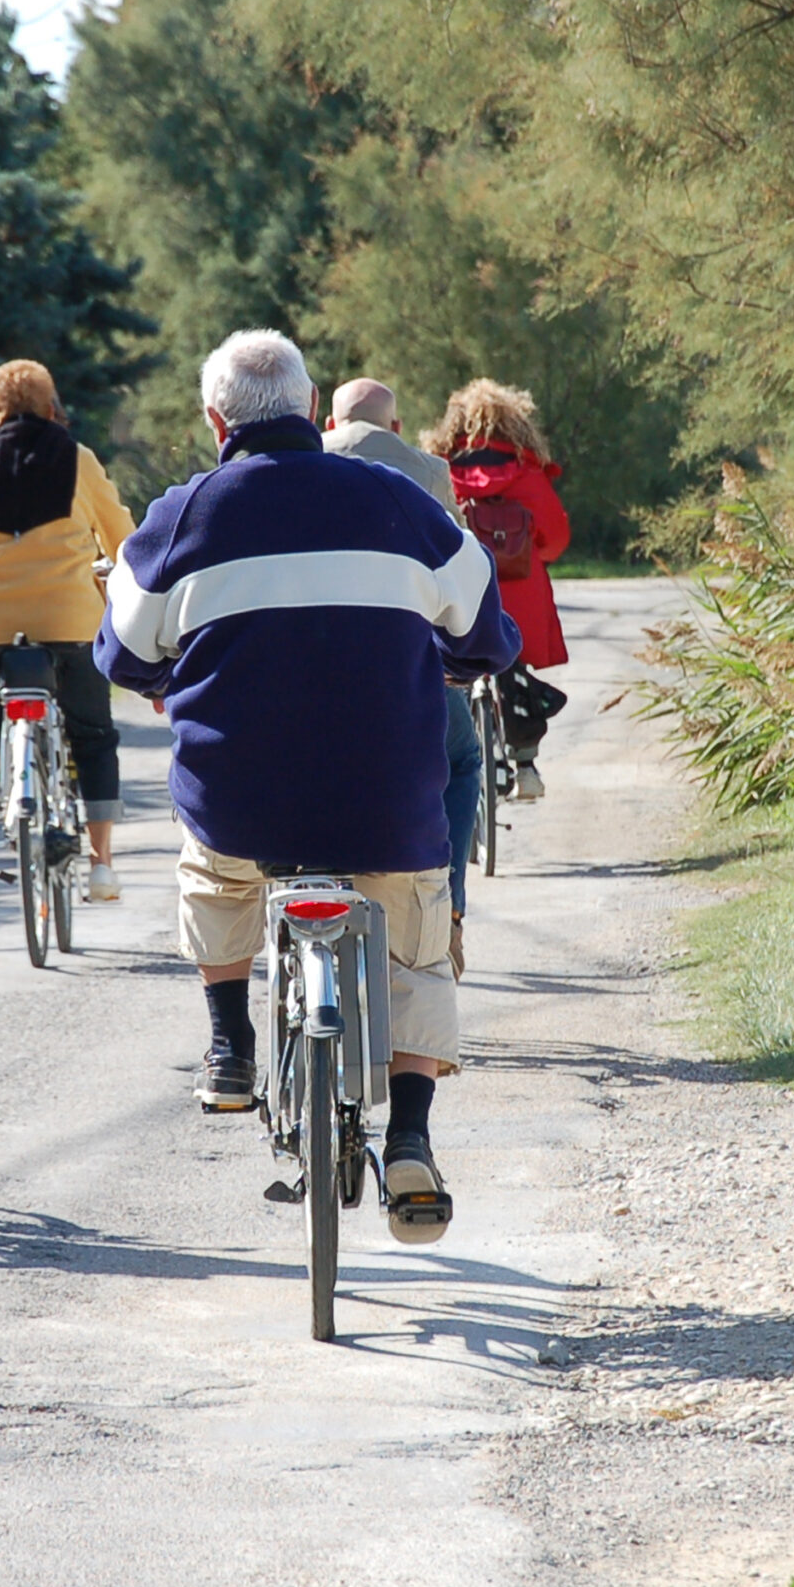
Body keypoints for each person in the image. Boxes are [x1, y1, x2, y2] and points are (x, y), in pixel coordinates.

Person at [97, 331, 519, 1243]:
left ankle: (228, 1046)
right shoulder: (401, 504)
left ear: (215, 420)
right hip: (385, 804)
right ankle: (410, 1136)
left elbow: (120, 652)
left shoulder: (180, 515)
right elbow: (487, 630)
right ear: (308, 404)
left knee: (213, 875)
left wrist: (174, 677)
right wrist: (449, 656)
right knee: (416, 946)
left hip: (240, 804)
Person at [0, 360, 137, 901]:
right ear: (51, 407)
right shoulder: (78, 459)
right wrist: (119, 568)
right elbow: (120, 534)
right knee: (93, 737)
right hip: (69, 623)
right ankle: (102, 864)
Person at [325, 378, 481, 960]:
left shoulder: (304, 462)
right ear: (395, 427)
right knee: (461, 760)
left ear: (330, 422)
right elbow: (458, 570)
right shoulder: (429, 470)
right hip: (412, 666)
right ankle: (453, 909)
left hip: (316, 665)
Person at [424, 380, 571, 802]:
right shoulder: (527, 473)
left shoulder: (440, 467)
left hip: (458, 593)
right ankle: (524, 764)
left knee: (447, 667)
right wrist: (529, 554)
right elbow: (557, 538)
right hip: (519, 597)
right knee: (515, 670)